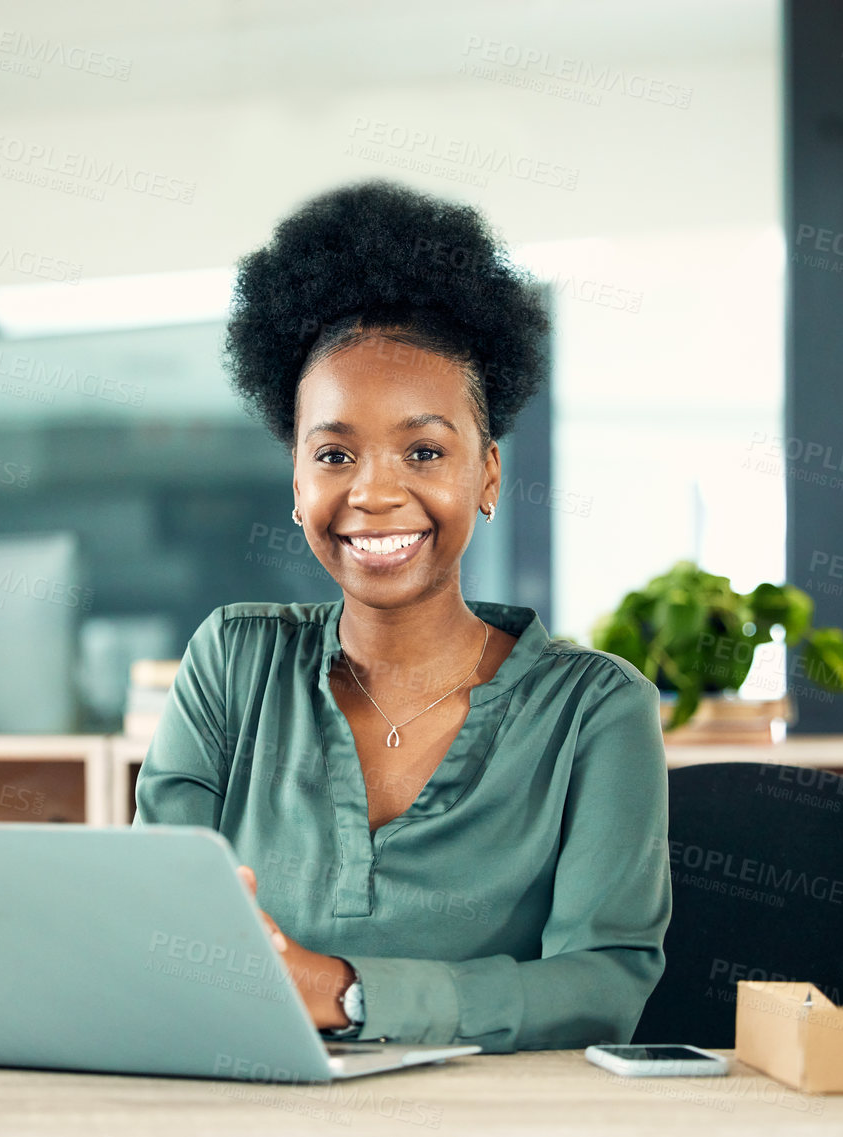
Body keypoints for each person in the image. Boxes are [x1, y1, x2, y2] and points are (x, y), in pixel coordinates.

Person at [133, 180, 671, 1053]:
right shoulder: (233, 661)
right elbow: (155, 918)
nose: (375, 492)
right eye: (334, 453)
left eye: (424, 450)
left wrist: (346, 990)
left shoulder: (595, 710)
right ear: (297, 479)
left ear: (487, 474)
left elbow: (601, 986)